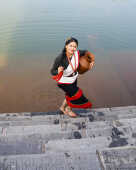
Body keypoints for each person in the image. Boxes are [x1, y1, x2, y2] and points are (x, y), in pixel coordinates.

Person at [51, 37, 95, 118]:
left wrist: (92, 60)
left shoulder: (77, 53)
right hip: (64, 81)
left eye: (75, 46)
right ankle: (68, 109)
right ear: (66, 46)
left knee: (69, 94)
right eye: (70, 46)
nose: (73, 48)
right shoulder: (60, 58)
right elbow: (52, 72)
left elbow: (86, 51)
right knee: (77, 95)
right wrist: (58, 71)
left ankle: (62, 108)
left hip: (73, 79)